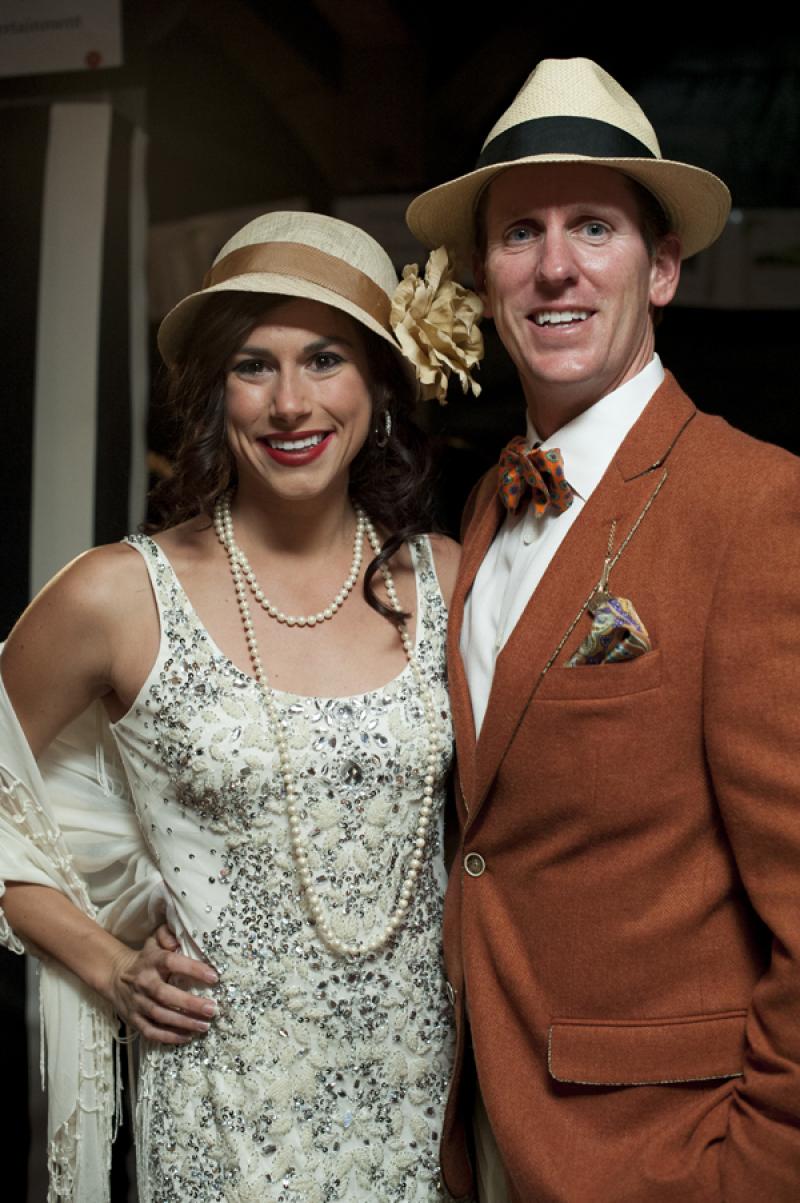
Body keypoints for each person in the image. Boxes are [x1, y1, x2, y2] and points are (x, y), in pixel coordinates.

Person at [0, 211, 483, 1202]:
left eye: (324, 359)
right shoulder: (118, 595)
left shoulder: (446, 581)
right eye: (253, 366)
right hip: (221, 1126)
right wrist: (106, 960)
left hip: (418, 1118)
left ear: (378, 386)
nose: (290, 402)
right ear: (215, 392)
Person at [406, 56, 800, 1203]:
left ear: (660, 267)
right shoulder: (487, 503)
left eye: (592, 227)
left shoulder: (753, 503)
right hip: (485, 1134)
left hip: (663, 1156)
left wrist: (750, 1174)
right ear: (483, 278)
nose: (554, 266)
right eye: (518, 234)